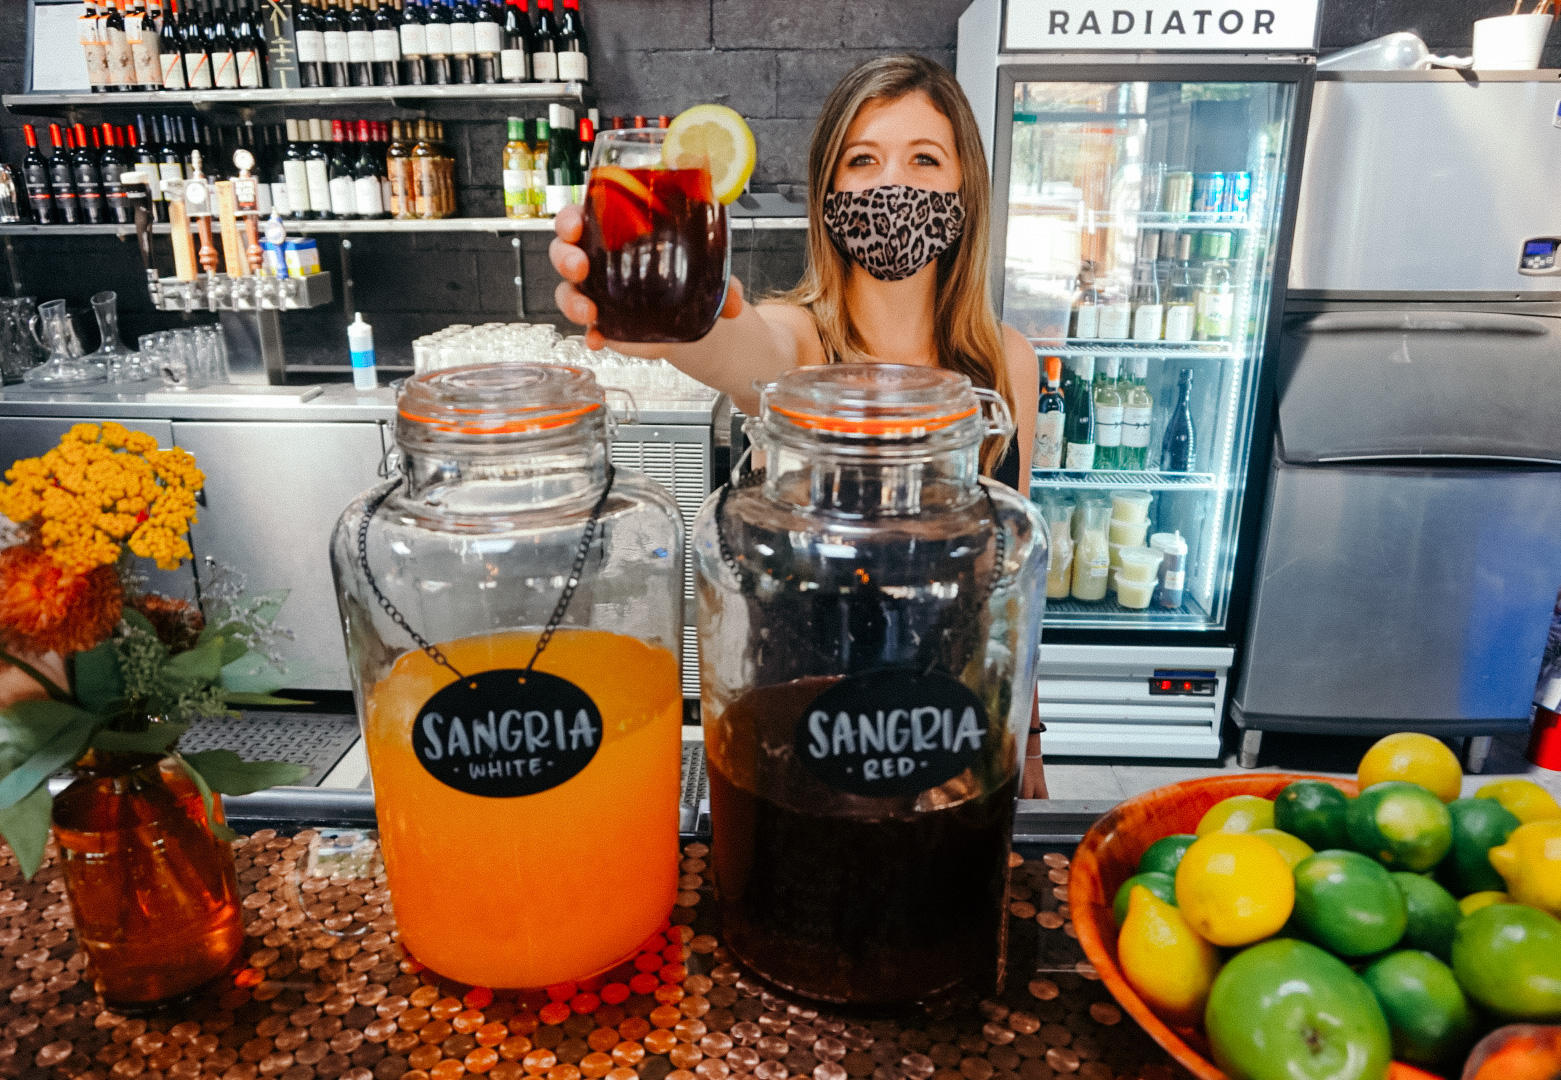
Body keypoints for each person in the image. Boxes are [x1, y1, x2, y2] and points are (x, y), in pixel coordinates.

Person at [549, 54, 1048, 797]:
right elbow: (731, 346)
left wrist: (1029, 742)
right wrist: (663, 313)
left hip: (949, 735)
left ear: (964, 186)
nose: (892, 184)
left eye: (924, 159)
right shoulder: (799, 346)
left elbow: (1012, 587)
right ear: (828, 189)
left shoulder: (1007, 362)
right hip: (802, 733)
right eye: (863, 159)